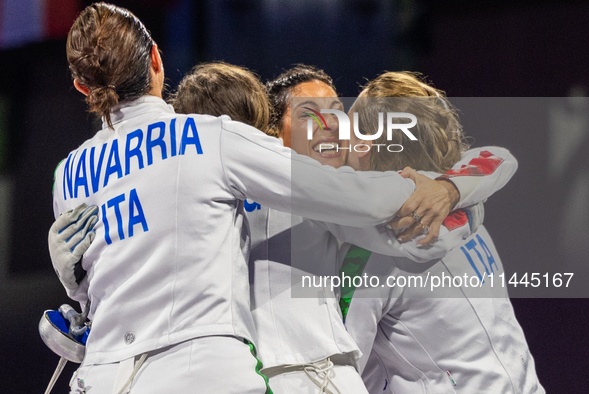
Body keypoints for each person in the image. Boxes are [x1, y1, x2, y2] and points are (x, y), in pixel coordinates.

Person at [51, 5, 461, 393]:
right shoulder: (209, 137)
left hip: (100, 376)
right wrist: (441, 188)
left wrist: (75, 284)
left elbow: (99, 292)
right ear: (156, 60)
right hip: (201, 373)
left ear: (80, 85)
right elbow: (353, 197)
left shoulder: (67, 175)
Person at [340, 71, 544, 393]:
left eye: (349, 133)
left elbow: (342, 372)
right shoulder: (469, 207)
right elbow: (497, 158)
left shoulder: (376, 248)